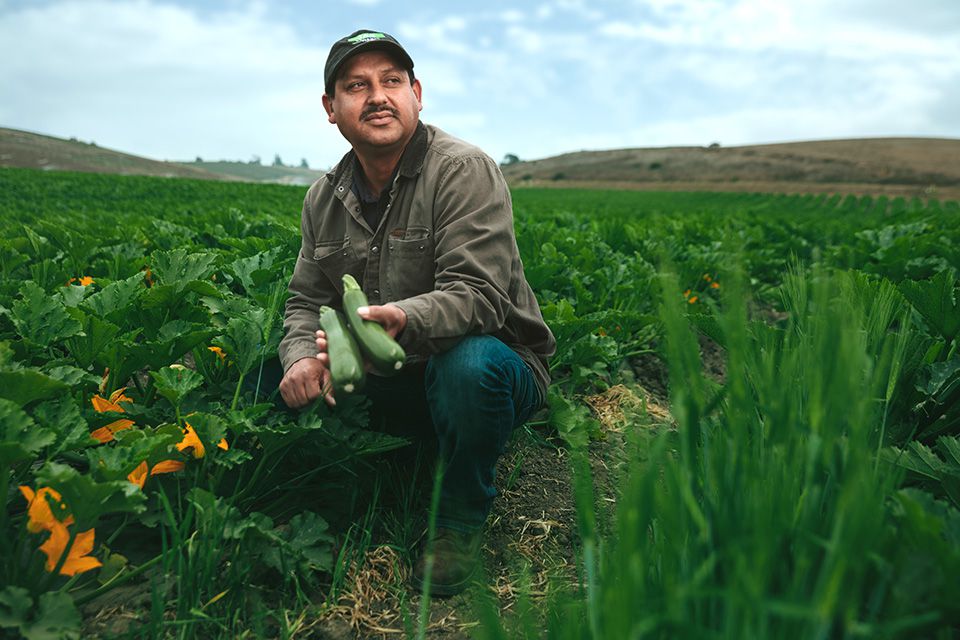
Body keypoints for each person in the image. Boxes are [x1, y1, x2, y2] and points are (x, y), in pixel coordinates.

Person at [276, 28, 556, 597]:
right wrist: (301, 358)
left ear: (417, 94)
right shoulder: (322, 198)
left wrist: (401, 320)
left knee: (469, 365)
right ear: (332, 109)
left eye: (391, 81)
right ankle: (328, 493)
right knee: (268, 377)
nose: (377, 96)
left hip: (495, 369)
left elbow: (479, 294)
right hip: (397, 377)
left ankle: (457, 520)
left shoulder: (462, 169)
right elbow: (306, 301)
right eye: (356, 86)